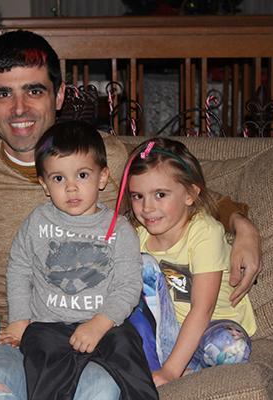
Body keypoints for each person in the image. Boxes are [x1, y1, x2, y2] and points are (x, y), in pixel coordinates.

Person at [0, 29, 262, 399]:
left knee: (101, 385)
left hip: (94, 329)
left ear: (58, 95)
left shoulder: (106, 157)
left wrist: (242, 226)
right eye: (3, 93)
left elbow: (182, 187)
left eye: (34, 90)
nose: (19, 108)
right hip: (9, 332)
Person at [3, 121, 158, 399]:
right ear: (45, 184)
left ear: (102, 177)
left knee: (127, 346)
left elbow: (128, 284)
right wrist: (19, 320)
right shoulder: (38, 222)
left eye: (82, 175)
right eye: (59, 178)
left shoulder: (119, 228)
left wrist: (101, 322)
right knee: (39, 351)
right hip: (49, 326)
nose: (71, 188)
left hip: (105, 323)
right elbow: (19, 269)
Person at [110, 138, 256, 387]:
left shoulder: (204, 232)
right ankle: (166, 366)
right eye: (137, 196)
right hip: (166, 332)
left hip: (211, 325)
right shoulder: (137, 235)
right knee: (137, 268)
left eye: (160, 194)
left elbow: (203, 309)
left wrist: (170, 372)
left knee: (232, 347)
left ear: (191, 194)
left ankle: (179, 368)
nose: (147, 207)